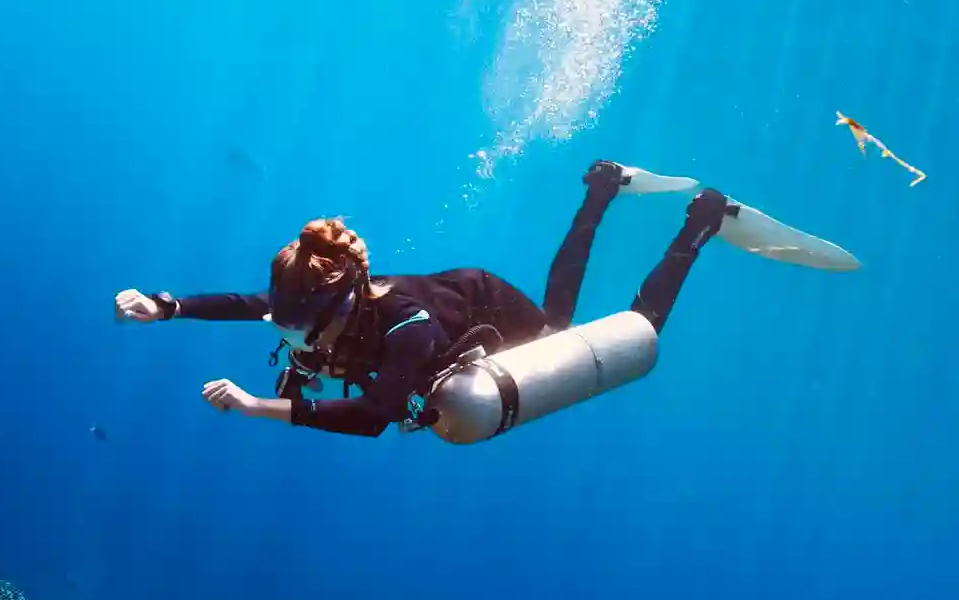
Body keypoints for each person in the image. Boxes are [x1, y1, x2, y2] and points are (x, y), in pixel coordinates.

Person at [113, 160, 858, 438]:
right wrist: (164, 304)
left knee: (570, 326)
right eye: (293, 323)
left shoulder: (404, 329)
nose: (299, 340)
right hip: (452, 305)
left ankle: (701, 221)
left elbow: (374, 420)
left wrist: (255, 407)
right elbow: (245, 305)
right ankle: (602, 190)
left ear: (343, 304)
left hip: (484, 311)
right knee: (558, 318)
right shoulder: (301, 302)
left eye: (310, 328)